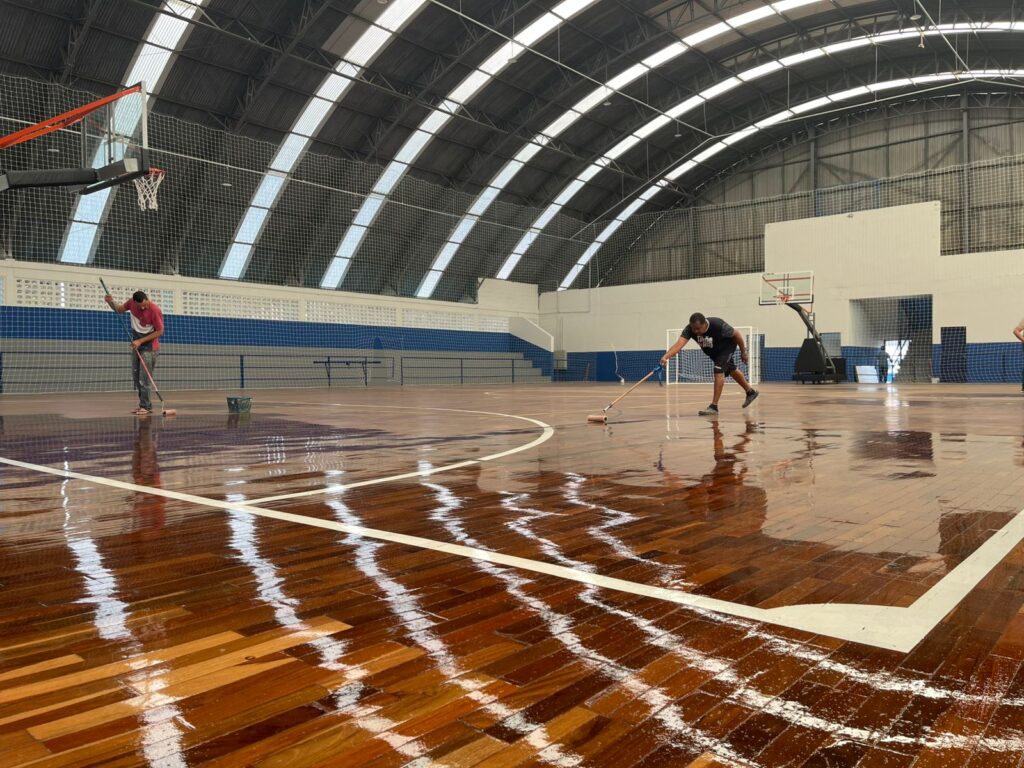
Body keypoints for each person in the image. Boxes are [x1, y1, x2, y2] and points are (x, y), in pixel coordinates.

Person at [661, 312, 758, 416]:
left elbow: (736, 334)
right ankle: (750, 392)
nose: (695, 331)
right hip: (714, 352)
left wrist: (743, 352)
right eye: (693, 328)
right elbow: (678, 345)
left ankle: (714, 407)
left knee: (718, 370)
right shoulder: (689, 329)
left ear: (705, 324)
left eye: (698, 328)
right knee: (731, 369)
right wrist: (666, 356)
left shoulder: (717, 325)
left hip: (726, 347)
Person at [104, 290, 164, 415]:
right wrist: (111, 302)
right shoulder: (132, 303)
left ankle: (146, 407)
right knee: (136, 378)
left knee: (144, 379)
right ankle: (144, 405)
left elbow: (159, 331)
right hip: (137, 346)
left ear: (147, 299)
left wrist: (140, 341)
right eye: (140, 306)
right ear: (135, 302)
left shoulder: (154, 310)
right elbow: (119, 309)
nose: (143, 307)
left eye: (145, 304)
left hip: (150, 348)